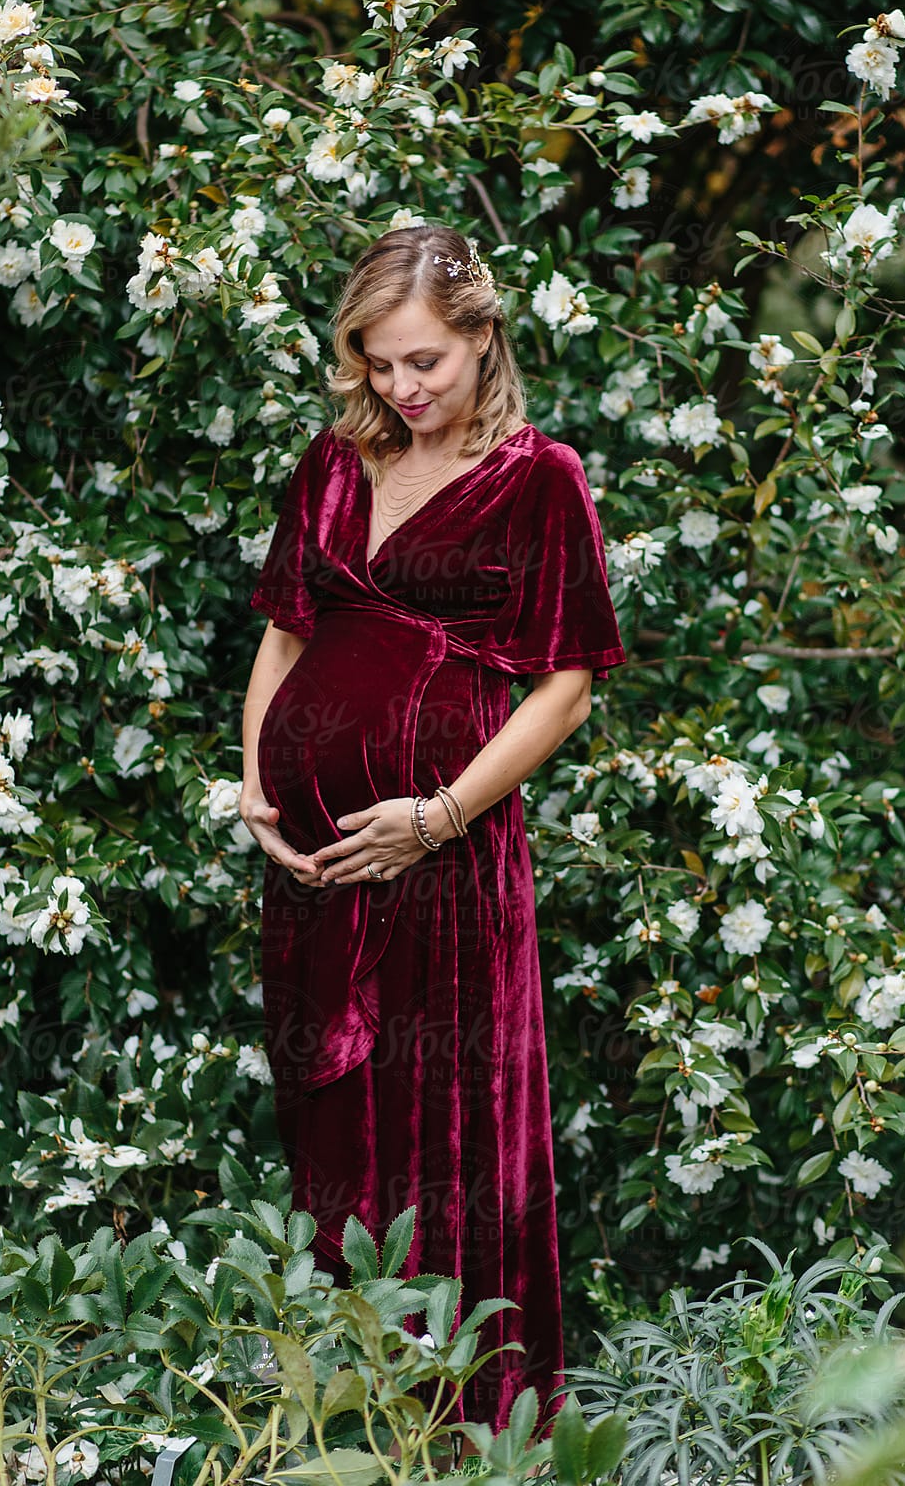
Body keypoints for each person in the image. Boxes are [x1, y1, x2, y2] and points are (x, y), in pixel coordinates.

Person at [239, 222, 626, 1451]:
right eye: (378, 365)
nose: (402, 389)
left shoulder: (539, 477)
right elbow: (289, 634)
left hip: (446, 864)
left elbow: (567, 686)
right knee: (336, 1131)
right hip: (315, 871)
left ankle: (465, 1438)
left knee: (444, 1133)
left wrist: (441, 814)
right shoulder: (336, 463)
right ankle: (340, 1426)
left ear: (481, 339)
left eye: (424, 364)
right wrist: (257, 780)